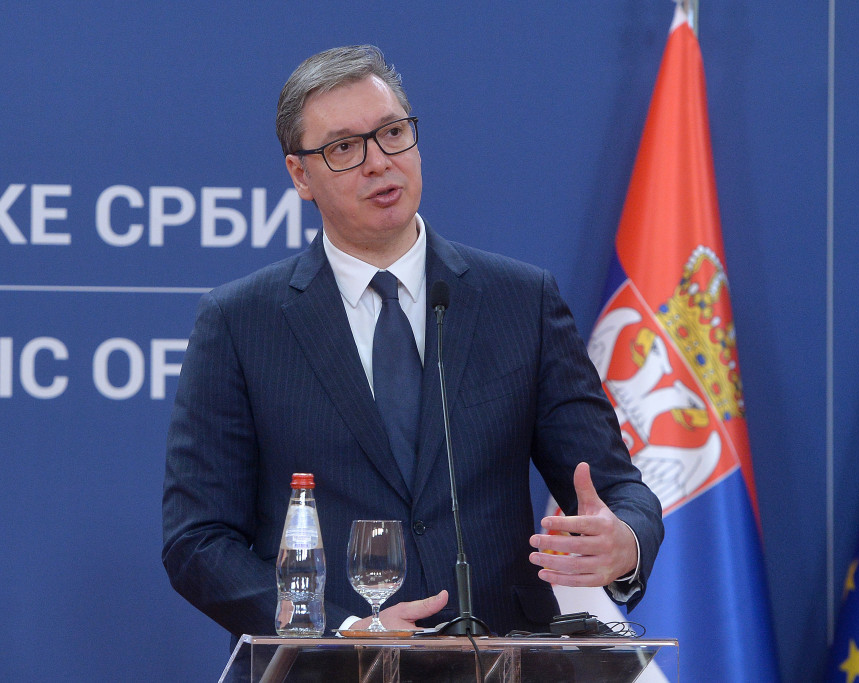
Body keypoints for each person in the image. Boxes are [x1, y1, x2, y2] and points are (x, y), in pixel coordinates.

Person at [162, 45, 663, 648]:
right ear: (300, 175)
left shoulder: (520, 301)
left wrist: (625, 541)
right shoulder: (241, 322)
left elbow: (615, 488)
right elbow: (198, 541)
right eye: (344, 148)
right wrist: (341, 631)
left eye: (393, 133)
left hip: (496, 657)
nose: (379, 162)